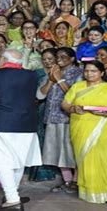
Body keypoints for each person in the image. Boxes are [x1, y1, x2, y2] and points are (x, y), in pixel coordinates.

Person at [0, 49, 41, 211]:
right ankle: (13, 195)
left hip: (1, 123)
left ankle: (12, 200)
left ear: (3, 58)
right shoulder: (32, 75)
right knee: (19, 160)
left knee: (3, 160)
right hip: (27, 123)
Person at [61, 60, 107, 203]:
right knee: (85, 159)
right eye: (87, 71)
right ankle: (88, 192)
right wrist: (73, 109)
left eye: (93, 71)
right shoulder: (77, 86)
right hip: (81, 127)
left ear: (101, 73)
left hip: (105, 128)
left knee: (105, 159)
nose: (89, 74)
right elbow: (65, 104)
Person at [42, 47, 82, 193]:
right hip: (52, 115)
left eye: (63, 57)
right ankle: (67, 180)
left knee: (71, 150)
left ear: (72, 59)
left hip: (68, 117)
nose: (59, 59)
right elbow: (42, 94)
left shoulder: (79, 73)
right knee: (57, 150)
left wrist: (59, 79)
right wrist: (52, 79)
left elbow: (75, 95)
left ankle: (77, 180)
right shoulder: (53, 71)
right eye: (57, 56)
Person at [29, 48, 59, 182]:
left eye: (50, 59)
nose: (47, 62)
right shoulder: (37, 73)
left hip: (58, 110)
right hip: (40, 108)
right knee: (40, 137)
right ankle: (39, 171)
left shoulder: (63, 73)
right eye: (44, 59)